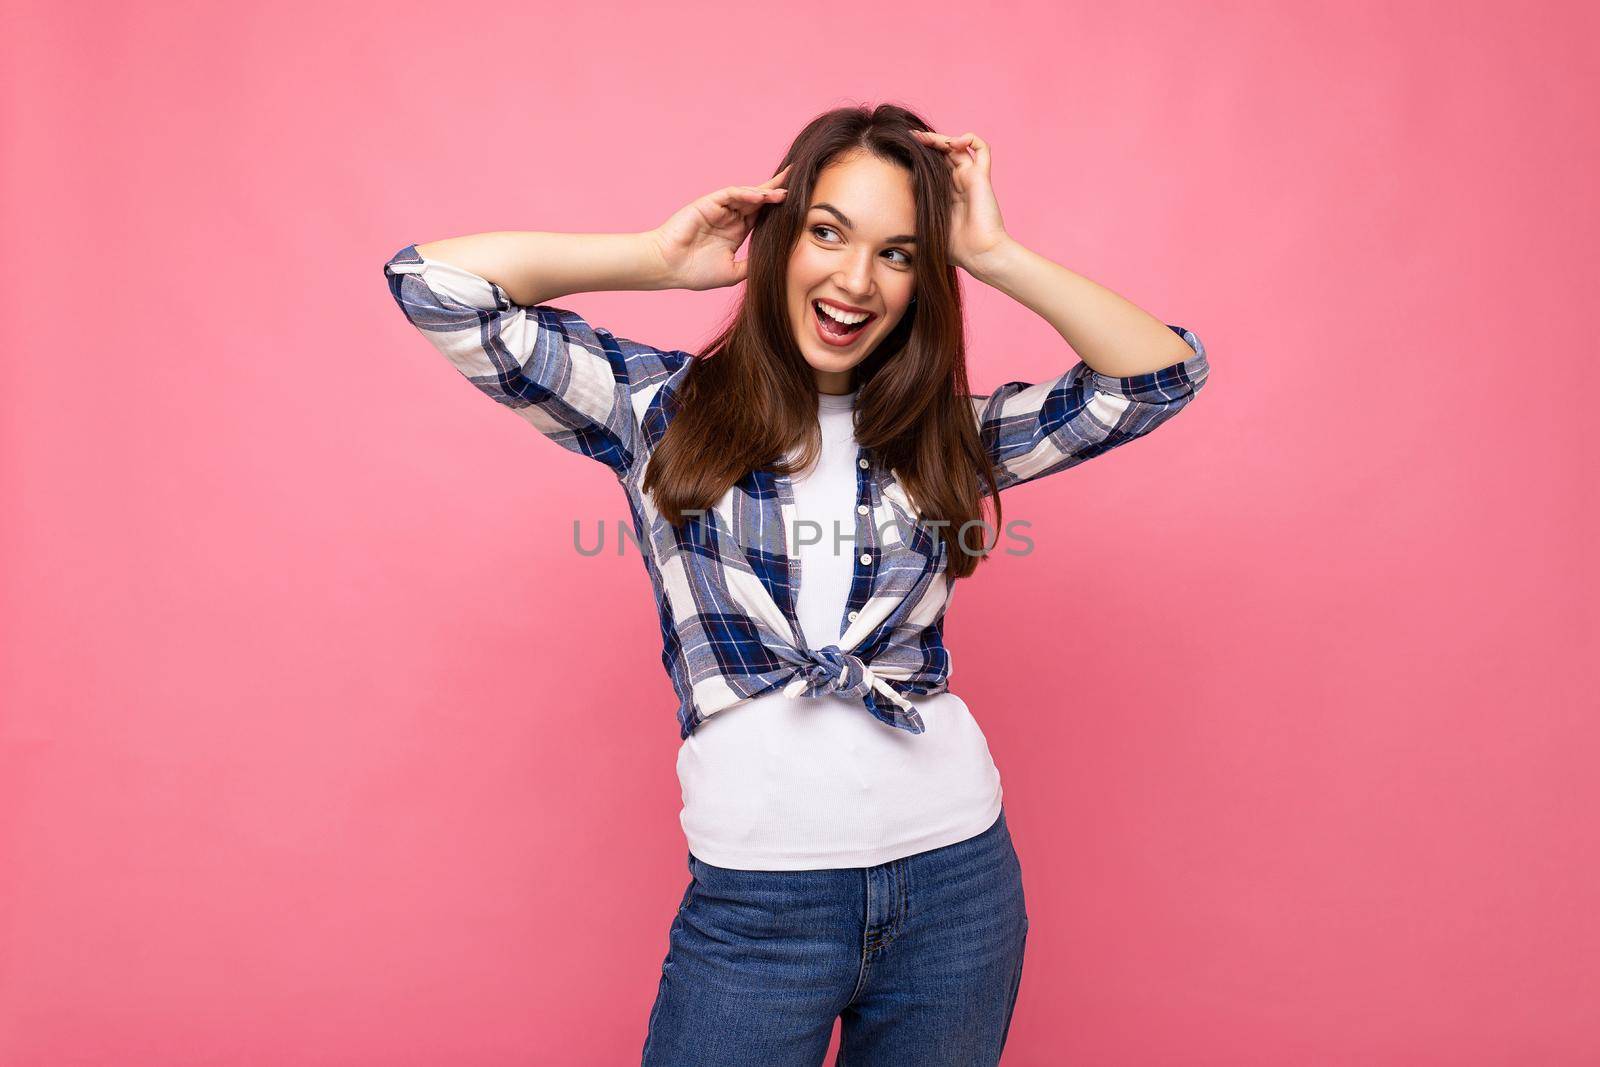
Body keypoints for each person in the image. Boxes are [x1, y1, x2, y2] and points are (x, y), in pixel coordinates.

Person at [382, 103, 1209, 1067]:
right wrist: (655, 256)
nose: (856, 280)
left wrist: (993, 254)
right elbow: (433, 284)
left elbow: (1158, 377)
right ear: (779, 237)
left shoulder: (949, 433)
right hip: (759, 905)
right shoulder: (659, 410)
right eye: (827, 232)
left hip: (958, 887)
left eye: (899, 253)